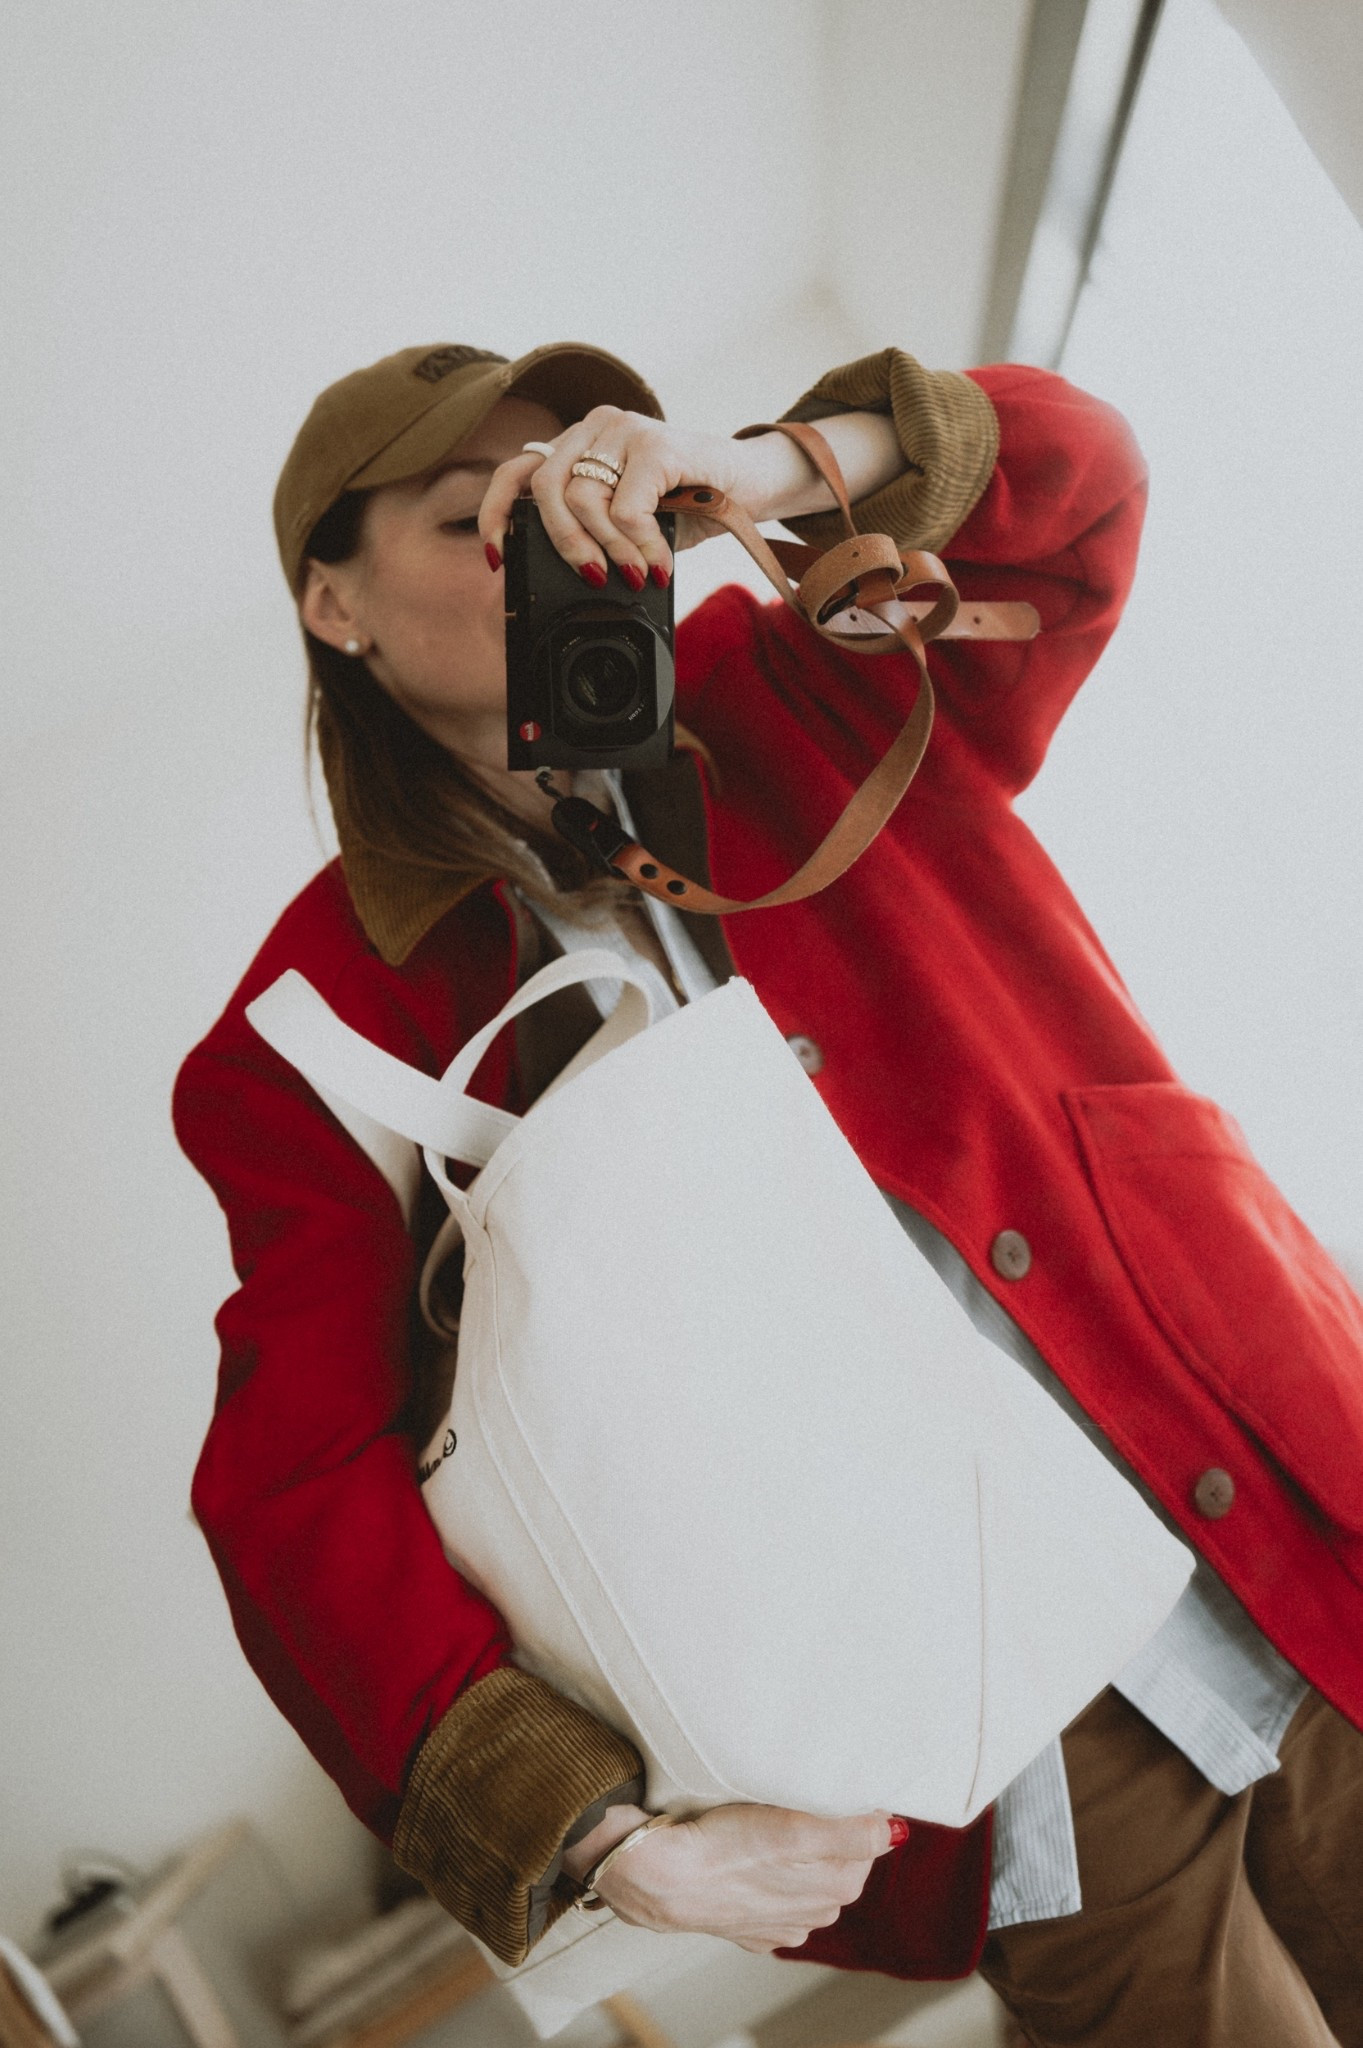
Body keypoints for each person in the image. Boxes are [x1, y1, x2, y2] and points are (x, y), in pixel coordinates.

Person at [173, 338, 1363, 2046]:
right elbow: (294, 1485)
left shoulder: (796, 688)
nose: (543, 553)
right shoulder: (326, 1023)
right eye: (470, 520)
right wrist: (588, 1834)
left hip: (1268, 1482)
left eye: (555, 499)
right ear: (334, 607)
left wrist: (770, 467)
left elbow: (1081, 484)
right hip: (986, 1721)